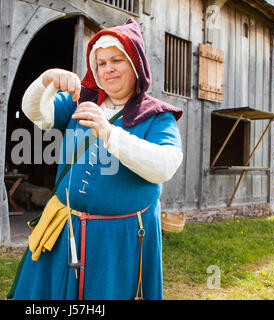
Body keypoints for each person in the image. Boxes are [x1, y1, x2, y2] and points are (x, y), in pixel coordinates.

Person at [9, 18, 183, 300]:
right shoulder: (82, 102)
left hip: (118, 241)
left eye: (116, 60)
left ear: (135, 64)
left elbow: (165, 165)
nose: (107, 69)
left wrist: (109, 132)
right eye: (101, 63)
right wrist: (46, 81)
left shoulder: (156, 116)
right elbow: (36, 114)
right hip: (65, 226)